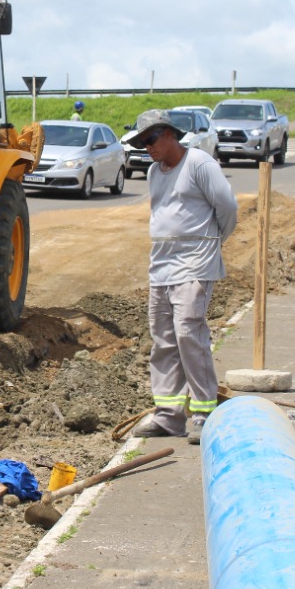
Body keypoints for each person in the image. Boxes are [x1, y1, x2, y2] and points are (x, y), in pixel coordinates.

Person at [128, 109, 238, 445]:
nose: (148, 147)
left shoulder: (199, 164)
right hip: (162, 265)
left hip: (195, 261)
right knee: (163, 339)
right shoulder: (153, 172)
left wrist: (211, 244)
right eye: (142, 142)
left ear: (170, 134)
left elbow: (227, 208)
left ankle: (204, 413)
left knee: (189, 333)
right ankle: (168, 417)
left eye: (151, 139)